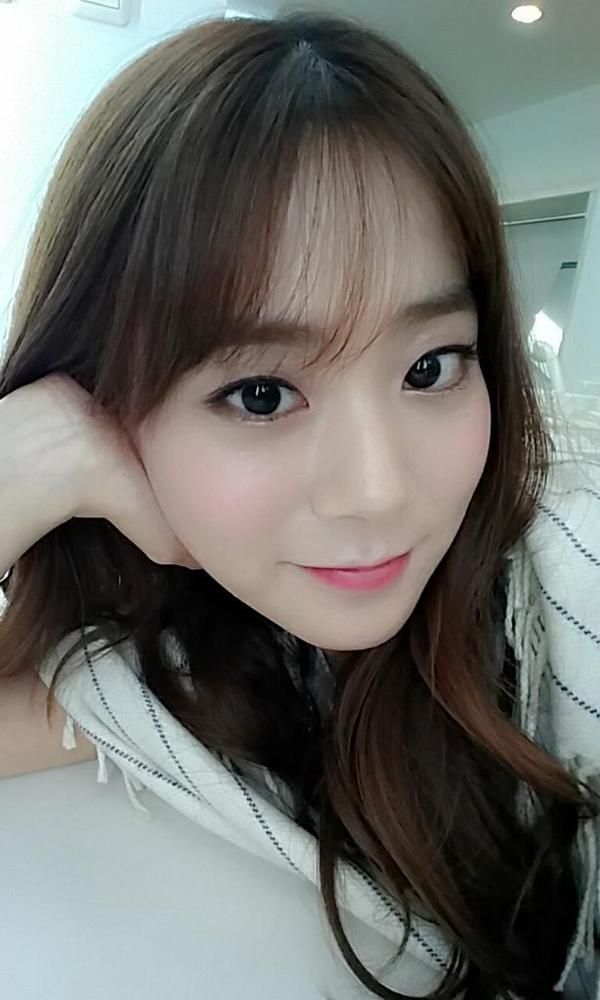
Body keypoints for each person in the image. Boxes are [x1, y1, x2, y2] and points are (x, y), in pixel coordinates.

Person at [0, 11, 598, 1000]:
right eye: (261, 394)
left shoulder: (564, 581)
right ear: (105, 405)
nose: (378, 489)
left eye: (430, 366)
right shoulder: (170, 668)